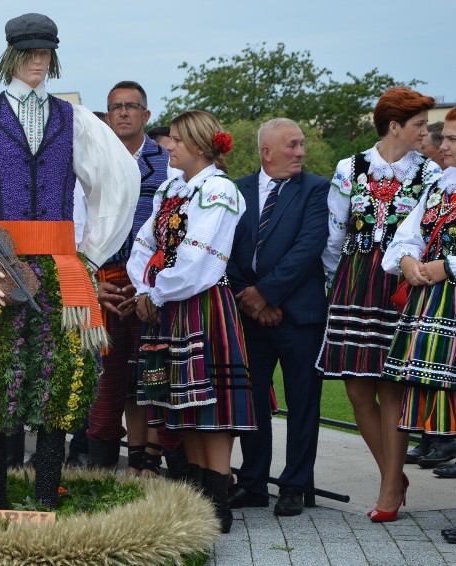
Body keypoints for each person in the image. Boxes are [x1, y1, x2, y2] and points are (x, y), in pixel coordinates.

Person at [0, 12, 139, 509]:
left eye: (46, 52)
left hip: (62, 268)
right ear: (12, 55)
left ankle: (48, 498)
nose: (39, 61)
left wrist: (89, 254)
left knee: (60, 382)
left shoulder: (76, 119)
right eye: (30, 52)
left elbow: (118, 183)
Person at [128, 110, 255, 533]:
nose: (170, 145)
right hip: (169, 303)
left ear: (201, 146)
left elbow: (201, 258)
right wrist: (145, 289)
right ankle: (199, 494)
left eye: (178, 139)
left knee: (211, 403)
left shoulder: (218, 191)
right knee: (185, 404)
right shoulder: (171, 189)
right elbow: (144, 242)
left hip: (201, 304)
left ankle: (218, 500)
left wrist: (158, 290)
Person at [317, 88, 438, 522]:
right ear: (394, 127)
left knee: (391, 387)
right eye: (420, 125)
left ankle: (389, 486)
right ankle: (393, 473)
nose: (427, 133)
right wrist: (338, 282)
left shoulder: (430, 173)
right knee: (356, 388)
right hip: (354, 280)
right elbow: (333, 235)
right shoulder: (349, 168)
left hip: (401, 282)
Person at [225, 118, 330, 517]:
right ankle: (253, 483)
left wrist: (265, 294)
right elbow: (226, 248)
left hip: (299, 316)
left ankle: (294, 486)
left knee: (303, 403)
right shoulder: (237, 190)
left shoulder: (317, 190)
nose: (301, 152)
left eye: (301, 145)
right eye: (293, 145)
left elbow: (307, 250)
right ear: (267, 152)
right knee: (250, 401)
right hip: (250, 317)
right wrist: (250, 300)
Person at [87, 80, 174, 476]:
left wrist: (148, 284)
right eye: (115, 107)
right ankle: (101, 473)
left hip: (151, 284)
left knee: (153, 377)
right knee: (106, 382)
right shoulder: (91, 161)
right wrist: (90, 280)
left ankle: (152, 466)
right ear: (107, 116)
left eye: (131, 106)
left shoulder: (169, 163)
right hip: (102, 278)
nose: (122, 112)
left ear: (146, 115)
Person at [381, 108, 456, 538]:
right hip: (433, 304)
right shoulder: (440, 184)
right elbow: (405, 236)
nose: (441, 146)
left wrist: (447, 265)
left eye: (451, 139)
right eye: (442, 137)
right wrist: (408, 260)